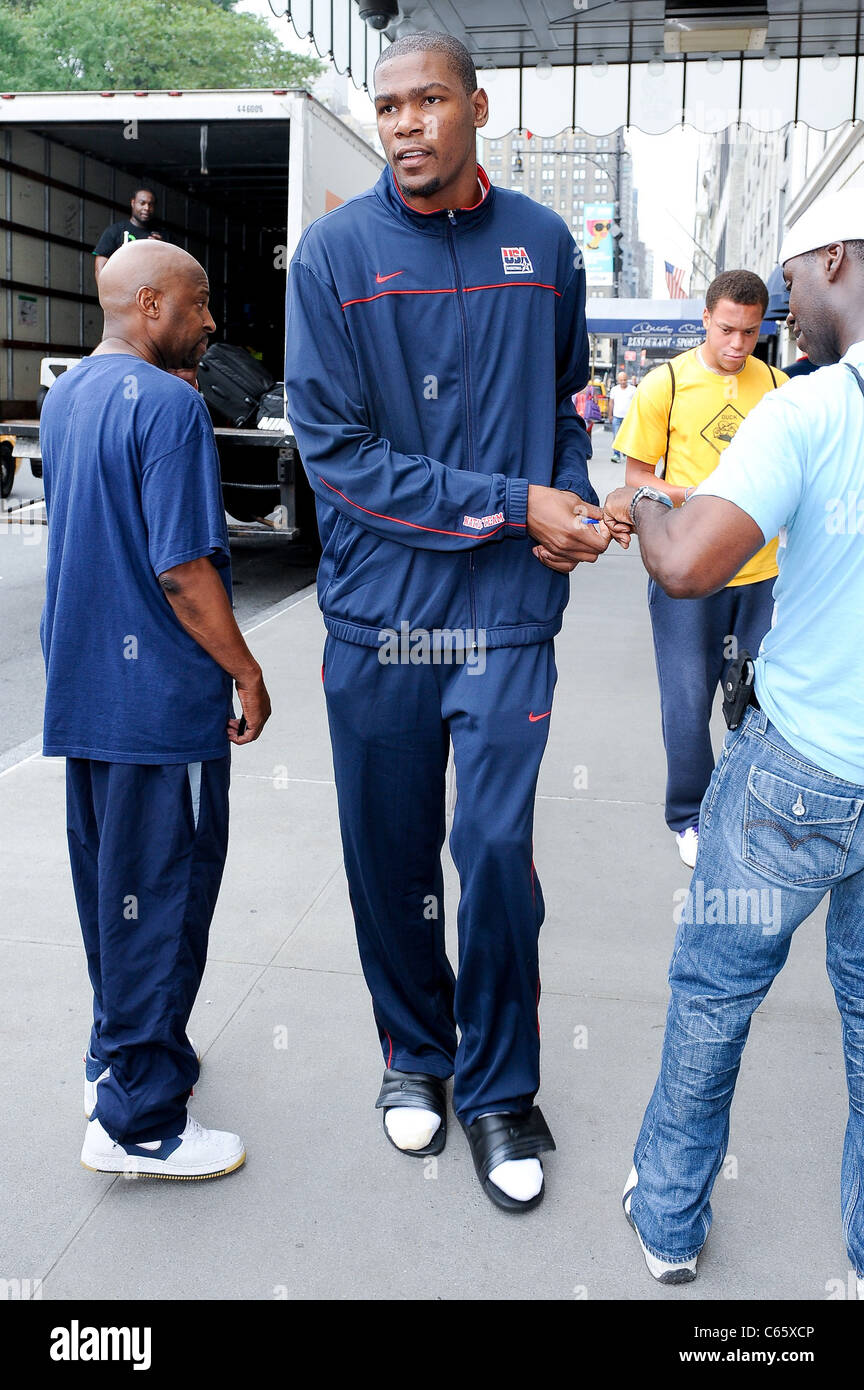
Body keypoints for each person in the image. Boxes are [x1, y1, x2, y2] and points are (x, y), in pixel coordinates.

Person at [285, 30, 622, 1213]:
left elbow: (571, 395)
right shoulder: (330, 256)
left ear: (479, 106)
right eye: (388, 106)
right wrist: (509, 502)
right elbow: (338, 457)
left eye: (429, 100)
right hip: (380, 617)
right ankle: (413, 1054)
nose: (407, 124)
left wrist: (569, 494)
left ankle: (499, 1089)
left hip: (504, 620)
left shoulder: (543, 244)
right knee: (389, 857)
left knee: (491, 854)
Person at [602, 188, 864, 1293]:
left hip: (798, 772)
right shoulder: (763, 395)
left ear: (840, 257)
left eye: (794, 276)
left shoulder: (807, 410)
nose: (784, 305)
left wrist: (646, 503)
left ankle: (668, 1219)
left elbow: (685, 564)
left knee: (713, 998)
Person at [40, 239, 271, 1180]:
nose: (211, 323)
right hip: (156, 706)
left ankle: (122, 1055)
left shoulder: (64, 398)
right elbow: (183, 572)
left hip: (85, 693)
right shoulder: (172, 406)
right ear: (147, 304)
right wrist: (247, 670)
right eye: (198, 304)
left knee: (113, 894)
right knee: (161, 903)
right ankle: (140, 1123)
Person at [614, 271, 787, 867]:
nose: (737, 344)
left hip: (761, 574)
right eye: (726, 330)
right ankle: (688, 816)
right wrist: (702, 497)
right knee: (686, 702)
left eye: (750, 331)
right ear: (705, 319)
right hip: (689, 573)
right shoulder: (665, 383)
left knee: (760, 702)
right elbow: (635, 480)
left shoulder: (779, 386)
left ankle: (744, 806)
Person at [93, 187, 165, 280]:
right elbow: (100, 268)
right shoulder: (115, 231)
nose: (147, 208)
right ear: (133, 203)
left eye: (150, 204)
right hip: (120, 289)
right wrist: (104, 293)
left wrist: (162, 248)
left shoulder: (160, 236)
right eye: (142, 203)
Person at [609, 368, 637, 461]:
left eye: (624, 379)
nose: (623, 382)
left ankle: (626, 451)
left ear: (627, 379)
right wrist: (610, 415)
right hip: (616, 416)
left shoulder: (633, 389)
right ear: (618, 380)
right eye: (621, 380)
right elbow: (611, 403)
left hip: (628, 418)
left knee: (628, 436)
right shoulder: (614, 389)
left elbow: (636, 403)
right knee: (616, 436)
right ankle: (616, 454)